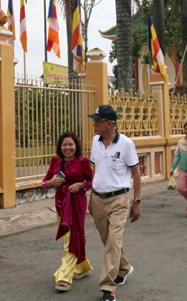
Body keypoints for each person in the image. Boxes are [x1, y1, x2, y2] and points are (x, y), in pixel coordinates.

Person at [87, 105, 141, 301]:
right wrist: (91, 197)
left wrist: (136, 202)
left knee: (113, 241)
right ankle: (124, 267)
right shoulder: (95, 141)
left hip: (119, 199)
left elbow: (136, 174)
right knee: (107, 240)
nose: (93, 123)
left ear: (109, 123)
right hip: (98, 199)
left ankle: (108, 288)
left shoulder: (126, 144)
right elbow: (96, 170)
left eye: (97, 120)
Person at [42, 132, 93, 292]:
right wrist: (51, 182)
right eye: (64, 145)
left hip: (77, 202)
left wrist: (81, 185)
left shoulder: (83, 162)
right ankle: (82, 267)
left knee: (72, 236)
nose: (68, 147)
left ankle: (64, 276)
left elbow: (93, 182)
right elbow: (45, 182)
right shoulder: (56, 161)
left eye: (70, 144)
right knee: (69, 237)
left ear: (76, 145)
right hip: (61, 202)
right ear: (60, 147)